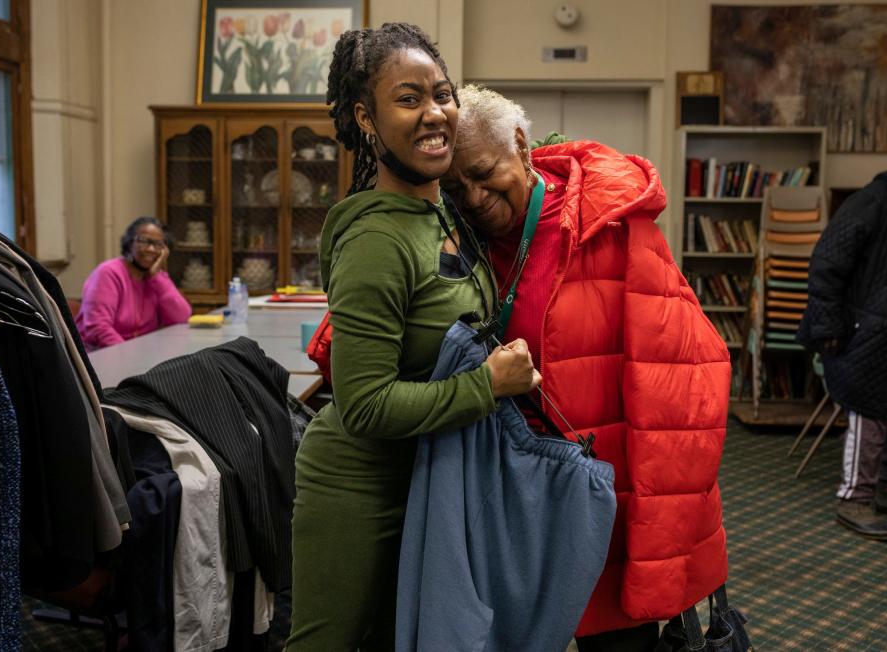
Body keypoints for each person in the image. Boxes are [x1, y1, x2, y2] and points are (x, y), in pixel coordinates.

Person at [442, 85, 731, 652]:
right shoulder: (453, 237)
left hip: (607, 497)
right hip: (507, 498)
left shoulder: (611, 227)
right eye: (456, 186)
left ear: (520, 146)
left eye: (483, 173)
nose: (473, 197)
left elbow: (682, 388)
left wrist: (661, 543)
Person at [286, 24, 539, 651]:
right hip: (361, 488)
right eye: (408, 99)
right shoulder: (377, 240)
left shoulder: (445, 209)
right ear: (365, 119)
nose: (434, 114)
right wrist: (487, 384)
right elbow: (365, 403)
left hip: (432, 478)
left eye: (443, 94)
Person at [796, 171, 887, 540]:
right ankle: (855, 498)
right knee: (870, 412)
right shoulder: (872, 200)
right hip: (861, 334)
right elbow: (826, 264)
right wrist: (828, 328)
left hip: (874, 330)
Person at [76, 216, 191, 351]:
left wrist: (156, 277)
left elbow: (181, 317)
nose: (151, 249)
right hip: (100, 355)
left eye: (158, 244)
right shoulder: (108, 272)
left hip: (141, 355)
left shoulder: (157, 279)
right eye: (143, 241)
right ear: (129, 243)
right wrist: (128, 355)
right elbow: (98, 327)